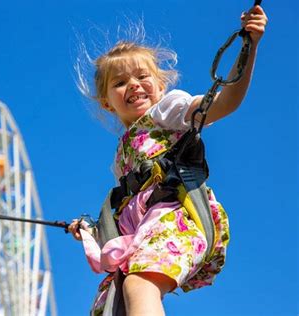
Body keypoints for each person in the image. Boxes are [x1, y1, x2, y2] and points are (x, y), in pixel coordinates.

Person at [68, 5, 268, 316]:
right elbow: (127, 211)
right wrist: (90, 230)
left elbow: (224, 102)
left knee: (139, 285)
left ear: (161, 86)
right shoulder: (122, 160)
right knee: (111, 302)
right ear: (108, 103)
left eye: (142, 76)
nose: (133, 84)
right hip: (141, 230)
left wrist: (249, 47)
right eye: (120, 82)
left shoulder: (166, 112)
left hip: (177, 217)